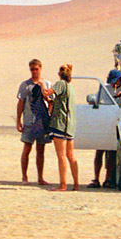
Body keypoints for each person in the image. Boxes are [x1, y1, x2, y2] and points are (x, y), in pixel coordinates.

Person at [16, 58, 52, 184]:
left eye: (36, 69)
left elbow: (51, 101)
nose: (34, 72)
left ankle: (40, 177)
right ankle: (24, 176)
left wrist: (43, 87)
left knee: (41, 150)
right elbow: (21, 103)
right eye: (32, 69)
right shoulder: (25, 85)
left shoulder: (47, 84)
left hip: (42, 121)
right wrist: (18, 120)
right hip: (29, 121)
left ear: (40, 69)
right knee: (27, 148)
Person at [48, 63, 79, 191]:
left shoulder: (60, 84)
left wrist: (41, 86)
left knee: (61, 155)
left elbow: (47, 92)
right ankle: (76, 183)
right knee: (70, 155)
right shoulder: (70, 88)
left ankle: (63, 184)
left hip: (60, 124)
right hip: (69, 125)